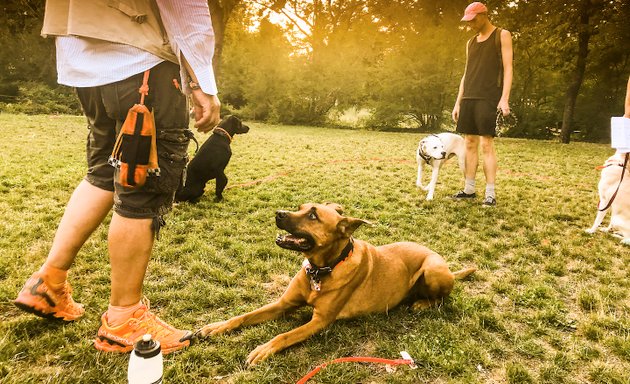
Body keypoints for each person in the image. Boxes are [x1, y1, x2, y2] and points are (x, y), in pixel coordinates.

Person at [13, 1, 220, 354]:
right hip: (141, 62)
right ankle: (124, 317)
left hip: (83, 60)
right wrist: (201, 76)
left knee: (104, 174)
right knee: (143, 186)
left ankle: (49, 281)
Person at [451, 2, 513, 207]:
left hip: (488, 97)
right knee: (469, 142)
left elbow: (508, 68)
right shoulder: (470, 42)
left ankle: (490, 193)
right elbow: (466, 74)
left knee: (487, 144)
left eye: (473, 20)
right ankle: (469, 189)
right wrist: (458, 102)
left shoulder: (501, 35)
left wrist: (504, 98)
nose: (470, 24)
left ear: (484, 15)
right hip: (468, 96)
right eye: (467, 21)